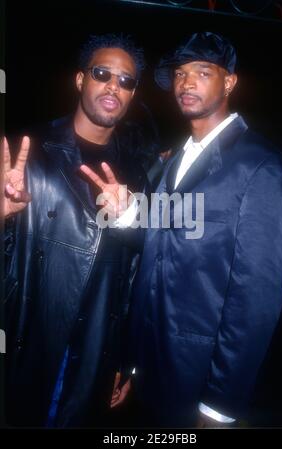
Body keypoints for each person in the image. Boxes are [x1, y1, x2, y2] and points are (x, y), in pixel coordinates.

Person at [126, 32, 282, 427]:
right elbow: (159, 247)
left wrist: (221, 402)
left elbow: (256, 299)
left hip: (200, 376)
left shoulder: (261, 167)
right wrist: (132, 361)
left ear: (230, 82)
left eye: (203, 72)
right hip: (151, 368)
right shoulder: (174, 161)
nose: (186, 83)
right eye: (181, 74)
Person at [3, 33, 155, 427]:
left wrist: (127, 359)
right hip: (30, 337)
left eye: (126, 81)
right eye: (102, 73)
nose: (114, 87)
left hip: (93, 351)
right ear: (79, 80)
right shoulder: (29, 151)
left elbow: (140, 269)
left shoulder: (137, 170)